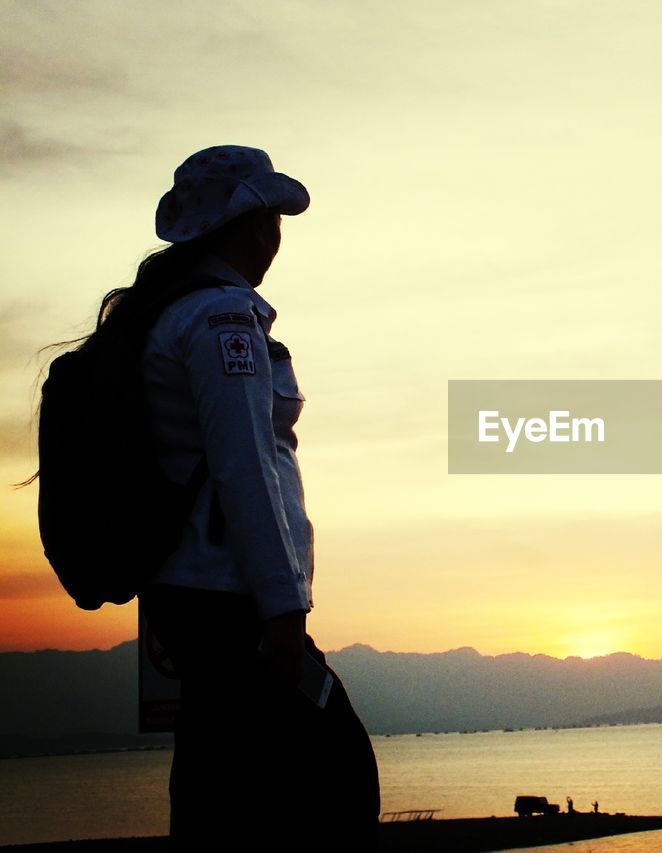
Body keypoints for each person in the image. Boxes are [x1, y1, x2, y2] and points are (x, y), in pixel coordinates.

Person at [120, 145, 380, 850]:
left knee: (219, 781)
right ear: (247, 225)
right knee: (339, 768)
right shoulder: (220, 319)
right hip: (229, 597)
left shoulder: (173, 311)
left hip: (199, 596)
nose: (277, 236)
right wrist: (283, 607)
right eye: (270, 217)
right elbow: (244, 465)